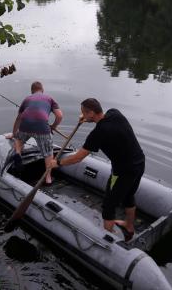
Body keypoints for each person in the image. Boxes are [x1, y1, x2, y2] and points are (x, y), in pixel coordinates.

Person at [49, 98, 144, 241]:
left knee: (108, 206)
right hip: (139, 163)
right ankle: (129, 226)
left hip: (123, 172)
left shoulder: (98, 133)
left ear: (91, 113)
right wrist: (86, 119)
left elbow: (77, 158)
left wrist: (57, 163)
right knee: (129, 195)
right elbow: (101, 120)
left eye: (84, 113)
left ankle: (109, 242)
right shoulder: (114, 113)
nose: (82, 115)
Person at [7, 81, 63, 184]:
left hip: (25, 126)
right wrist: (53, 126)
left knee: (19, 141)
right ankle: (48, 178)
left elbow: (19, 118)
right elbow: (59, 116)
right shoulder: (49, 99)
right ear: (42, 90)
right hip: (42, 127)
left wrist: (14, 134)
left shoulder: (27, 99)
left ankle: (18, 153)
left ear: (32, 91)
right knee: (48, 153)